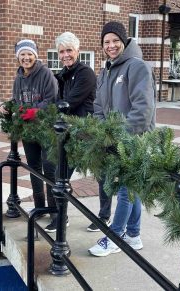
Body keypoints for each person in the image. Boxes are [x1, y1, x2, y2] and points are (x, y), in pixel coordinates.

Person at [88, 21, 156, 256]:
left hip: (134, 141)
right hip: (113, 141)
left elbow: (142, 110)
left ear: (124, 41)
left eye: (115, 40)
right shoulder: (106, 70)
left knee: (127, 190)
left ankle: (114, 237)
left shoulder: (137, 67)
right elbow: (98, 107)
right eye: (106, 42)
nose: (111, 45)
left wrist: (121, 137)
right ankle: (134, 235)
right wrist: (102, 133)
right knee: (131, 188)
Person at [44, 31, 97, 232]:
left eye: (69, 50)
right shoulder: (63, 75)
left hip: (84, 133)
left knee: (102, 176)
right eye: (62, 51)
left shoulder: (85, 74)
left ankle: (104, 216)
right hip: (68, 133)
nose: (65, 55)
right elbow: (51, 97)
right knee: (60, 175)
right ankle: (62, 216)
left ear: (77, 51)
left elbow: (68, 103)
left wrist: (50, 109)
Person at [0, 39, 58, 211]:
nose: (26, 58)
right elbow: (18, 100)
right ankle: (39, 207)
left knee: (50, 168)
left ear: (35, 56)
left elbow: (52, 100)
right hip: (28, 130)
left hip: (46, 129)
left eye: (29, 54)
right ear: (18, 57)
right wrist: (7, 105)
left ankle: (54, 210)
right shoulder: (18, 78)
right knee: (34, 167)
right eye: (22, 54)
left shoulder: (46, 74)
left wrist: (35, 111)